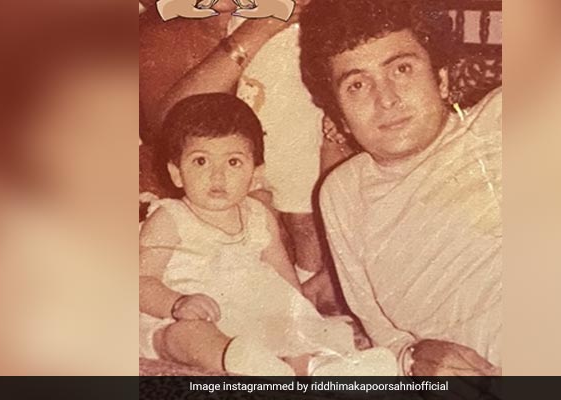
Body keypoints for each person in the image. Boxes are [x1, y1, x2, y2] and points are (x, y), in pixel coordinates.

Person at [298, 0, 501, 375]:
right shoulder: (343, 193)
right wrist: (413, 358)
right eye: (357, 85)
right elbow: (384, 335)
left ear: (441, 79)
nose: (386, 99)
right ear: (340, 116)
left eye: (402, 69)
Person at [139, 93, 396, 376]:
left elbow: (284, 276)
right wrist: (176, 303)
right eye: (201, 161)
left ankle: (316, 367)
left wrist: (300, 316)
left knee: (294, 330)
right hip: (186, 316)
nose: (217, 175)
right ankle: (247, 363)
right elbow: (139, 282)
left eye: (233, 162)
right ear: (176, 173)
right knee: (188, 337)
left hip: (252, 315)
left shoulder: (258, 216)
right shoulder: (170, 218)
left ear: (255, 174)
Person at [152, 0, 332, 287]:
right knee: (251, 224)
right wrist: (260, 27)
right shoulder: (180, 29)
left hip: (301, 141)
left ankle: (305, 291)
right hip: (244, 149)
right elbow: (173, 122)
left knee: (304, 222)